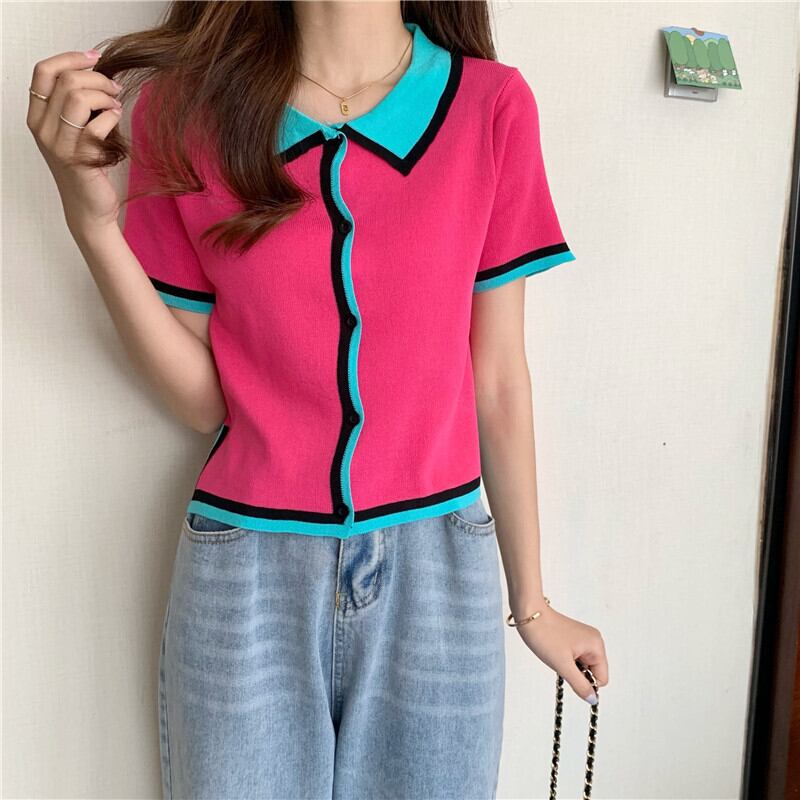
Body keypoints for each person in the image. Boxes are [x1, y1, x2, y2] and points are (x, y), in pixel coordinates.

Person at [27, 2, 609, 798]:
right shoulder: (182, 111)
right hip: (248, 574)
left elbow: (500, 377)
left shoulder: (489, 105)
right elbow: (203, 401)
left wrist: (532, 604)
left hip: (438, 573)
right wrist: (91, 222)